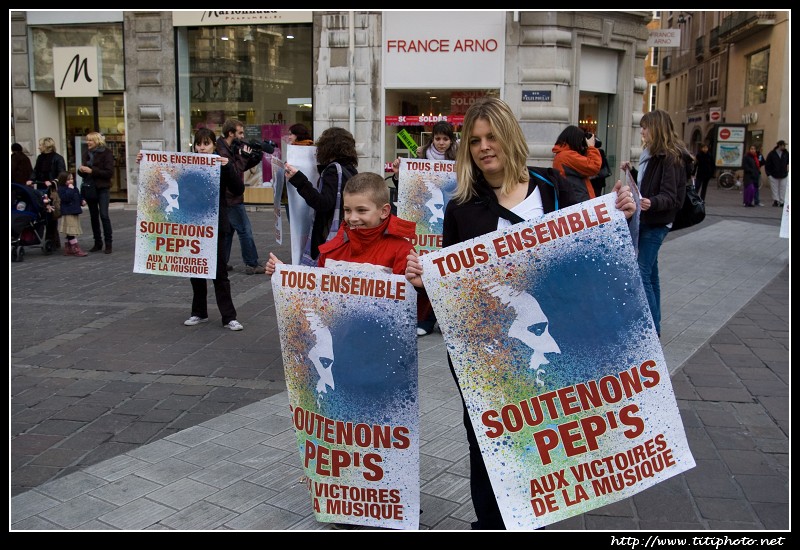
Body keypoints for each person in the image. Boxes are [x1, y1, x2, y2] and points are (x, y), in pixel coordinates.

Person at [404, 97, 635, 530]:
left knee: (545, 433)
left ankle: (535, 513)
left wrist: (620, 218)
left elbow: (588, 263)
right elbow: (452, 296)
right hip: (485, 354)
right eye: (474, 141)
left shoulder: (557, 192)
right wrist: (424, 280)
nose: (484, 147)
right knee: (487, 438)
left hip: (550, 342)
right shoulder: (460, 208)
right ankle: (490, 522)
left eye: (491, 136)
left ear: (510, 136)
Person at [136, 129, 244, 331]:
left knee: (219, 272)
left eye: (206, 144)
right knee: (196, 270)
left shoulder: (220, 164)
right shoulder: (187, 164)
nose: (202, 148)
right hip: (193, 226)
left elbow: (238, 189)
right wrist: (145, 161)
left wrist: (227, 167)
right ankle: (199, 312)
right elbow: (163, 171)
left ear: (214, 145)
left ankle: (229, 316)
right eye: (199, 144)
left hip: (215, 225)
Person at [266, 171, 415, 276]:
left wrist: (419, 286)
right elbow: (314, 293)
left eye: (362, 210)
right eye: (347, 210)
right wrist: (283, 274)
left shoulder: (403, 251)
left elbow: (416, 309)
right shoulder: (332, 249)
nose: (352, 218)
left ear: (384, 211)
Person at [621, 109, 688, 337]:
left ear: (656, 128)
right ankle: (655, 325)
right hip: (648, 219)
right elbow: (650, 183)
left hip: (657, 221)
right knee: (651, 274)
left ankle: (650, 329)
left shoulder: (670, 158)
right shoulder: (652, 154)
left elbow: (672, 196)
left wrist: (652, 202)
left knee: (641, 272)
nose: (642, 131)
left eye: (645, 127)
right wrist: (631, 171)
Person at [391, 120, 459, 336]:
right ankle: (425, 318)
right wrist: (398, 173)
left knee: (446, 271)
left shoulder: (459, 160)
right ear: (432, 138)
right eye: (438, 138)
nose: (441, 143)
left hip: (450, 223)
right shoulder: (419, 158)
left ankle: (443, 317)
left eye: (445, 139)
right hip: (423, 226)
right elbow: (407, 189)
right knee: (423, 270)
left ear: (451, 139)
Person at [284, 126, 358, 264]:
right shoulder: (350, 169)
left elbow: (323, 203)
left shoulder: (333, 170)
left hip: (327, 231)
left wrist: (299, 179)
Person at [216, 118, 265, 275]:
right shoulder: (222, 151)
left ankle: (221, 262)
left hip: (230, 197)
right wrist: (244, 157)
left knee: (228, 231)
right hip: (230, 198)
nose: (243, 136)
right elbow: (234, 172)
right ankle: (251, 263)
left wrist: (253, 158)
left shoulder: (229, 147)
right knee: (245, 230)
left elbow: (239, 167)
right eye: (240, 133)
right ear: (231, 133)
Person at [27, 137, 67, 250]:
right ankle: (52, 239)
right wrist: (31, 179)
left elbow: (61, 173)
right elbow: (35, 171)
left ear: (46, 146)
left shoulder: (57, 158)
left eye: (40, 145)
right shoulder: (40, 158)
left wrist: (54, 182)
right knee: (42, 213)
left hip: (52, 189)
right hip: (41, 188)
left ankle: (51, 239)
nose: (39, 147)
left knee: (51, 214)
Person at [79, 132, 115, 254]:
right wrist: (81, 171)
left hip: (102, 188)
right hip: (90, 187)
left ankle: (108, 243)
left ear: (97, 141)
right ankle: (97, 242)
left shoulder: (107, 153)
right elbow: (85, 173)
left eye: (91, 140)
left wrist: (91, 170)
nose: (88, 142)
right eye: (87, 140)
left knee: (104, 215)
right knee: (93, 216)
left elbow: (109, 173)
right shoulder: (86, 154)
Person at [551, 125, 602, 201]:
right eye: (581, 141)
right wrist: (591, 147)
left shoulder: (561, 155)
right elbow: (594, 165)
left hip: (574, 199)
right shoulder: (567, 156)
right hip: (578, 201)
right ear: (575, 140)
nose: (581, 145)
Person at [283, 123, 315, 222]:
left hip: (306, 191)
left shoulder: (311, 150)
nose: (289, 137)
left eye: (291, 134)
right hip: (292, 193)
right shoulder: (292, 149)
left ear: (298, 134)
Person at [55, 171, 89, 257]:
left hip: (74, 211)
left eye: (71, 179)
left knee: (70, 231)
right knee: (71, 231)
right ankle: (75, 248)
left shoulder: (74, 188)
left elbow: (78, 195)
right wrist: (70, 189)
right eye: (68, 179)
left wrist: (82, 201)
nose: (70, 181)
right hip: (68, 212)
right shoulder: (62, 189)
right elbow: (65, 198)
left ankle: (69, 248)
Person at [765, 140, 789, 207]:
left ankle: (782, 201)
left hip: (784, 174)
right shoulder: (772, 154)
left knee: (783, 188)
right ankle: (776, 200)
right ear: (779, 145)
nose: (784, 147)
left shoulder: (786, 153)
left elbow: (788, 162)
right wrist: (768, 174)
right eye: (783, 145)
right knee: (774, 188)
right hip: (773, 174)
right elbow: (767, 164)